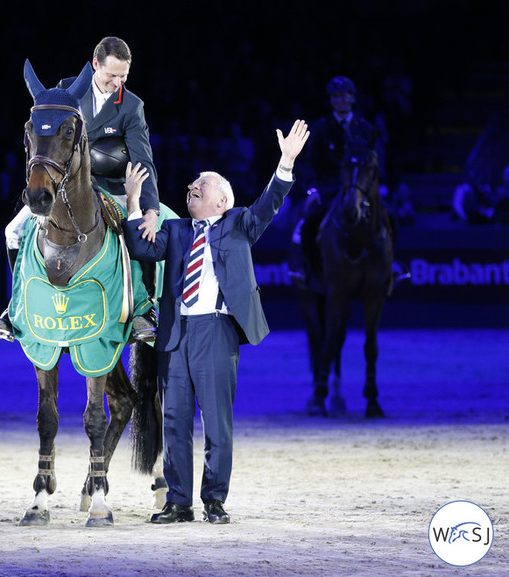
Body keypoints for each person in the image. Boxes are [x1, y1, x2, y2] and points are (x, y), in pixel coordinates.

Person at [122, 119, 310, 524]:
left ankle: (213, 499)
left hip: (216, 332)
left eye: (201, 185)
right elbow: (138, 245)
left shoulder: (239, 223)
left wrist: (286, 163)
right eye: (191, 184)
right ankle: (177, 501)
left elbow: (269, 204)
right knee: (173, 421)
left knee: (216, 424)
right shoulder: (174, 229)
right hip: (175, 334)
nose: (193, 186)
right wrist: (133, 200)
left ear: (221, 200)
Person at [0, 36, 160, 341]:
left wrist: (150, 209)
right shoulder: (65, 90)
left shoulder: (132, 106)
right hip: (65, 186)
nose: (117, 83)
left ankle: (144, 309)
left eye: (123, 77)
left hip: (112, 186)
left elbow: (143, 159)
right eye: (111, 75)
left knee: (138, 233)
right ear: (96, 65)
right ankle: (15, 305)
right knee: (12, 232)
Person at [289, 76, 406, 285]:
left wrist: (384, 184)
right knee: (309, 219)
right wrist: (313, 189)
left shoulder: (366, 128)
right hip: (330, 188)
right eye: (335, 97)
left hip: (361, 188)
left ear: (352, 98)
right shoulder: (321, 129)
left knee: (390, 216)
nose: (339, 100)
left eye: (343, 95)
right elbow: (310, 163)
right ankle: (303, 267)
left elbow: (376, 159)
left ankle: (392, 265)